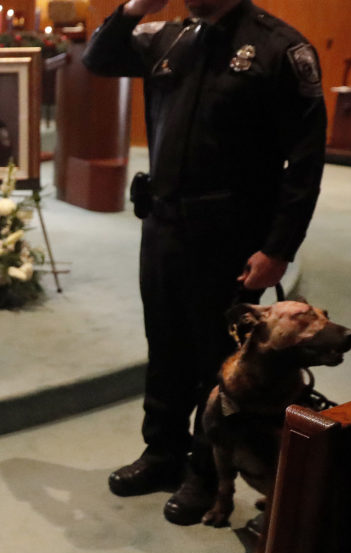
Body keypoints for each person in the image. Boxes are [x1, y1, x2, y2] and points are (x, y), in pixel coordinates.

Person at [83, 0, 326, 525]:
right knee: (165, 344)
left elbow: (305, 161)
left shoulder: (280, 48)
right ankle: (161, 453)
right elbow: (98, 59)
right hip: (164, 225)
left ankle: (204, 473)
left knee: (216, 359)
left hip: (232, 236)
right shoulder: (168, 36)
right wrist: (133, 7)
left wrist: (279, 247)